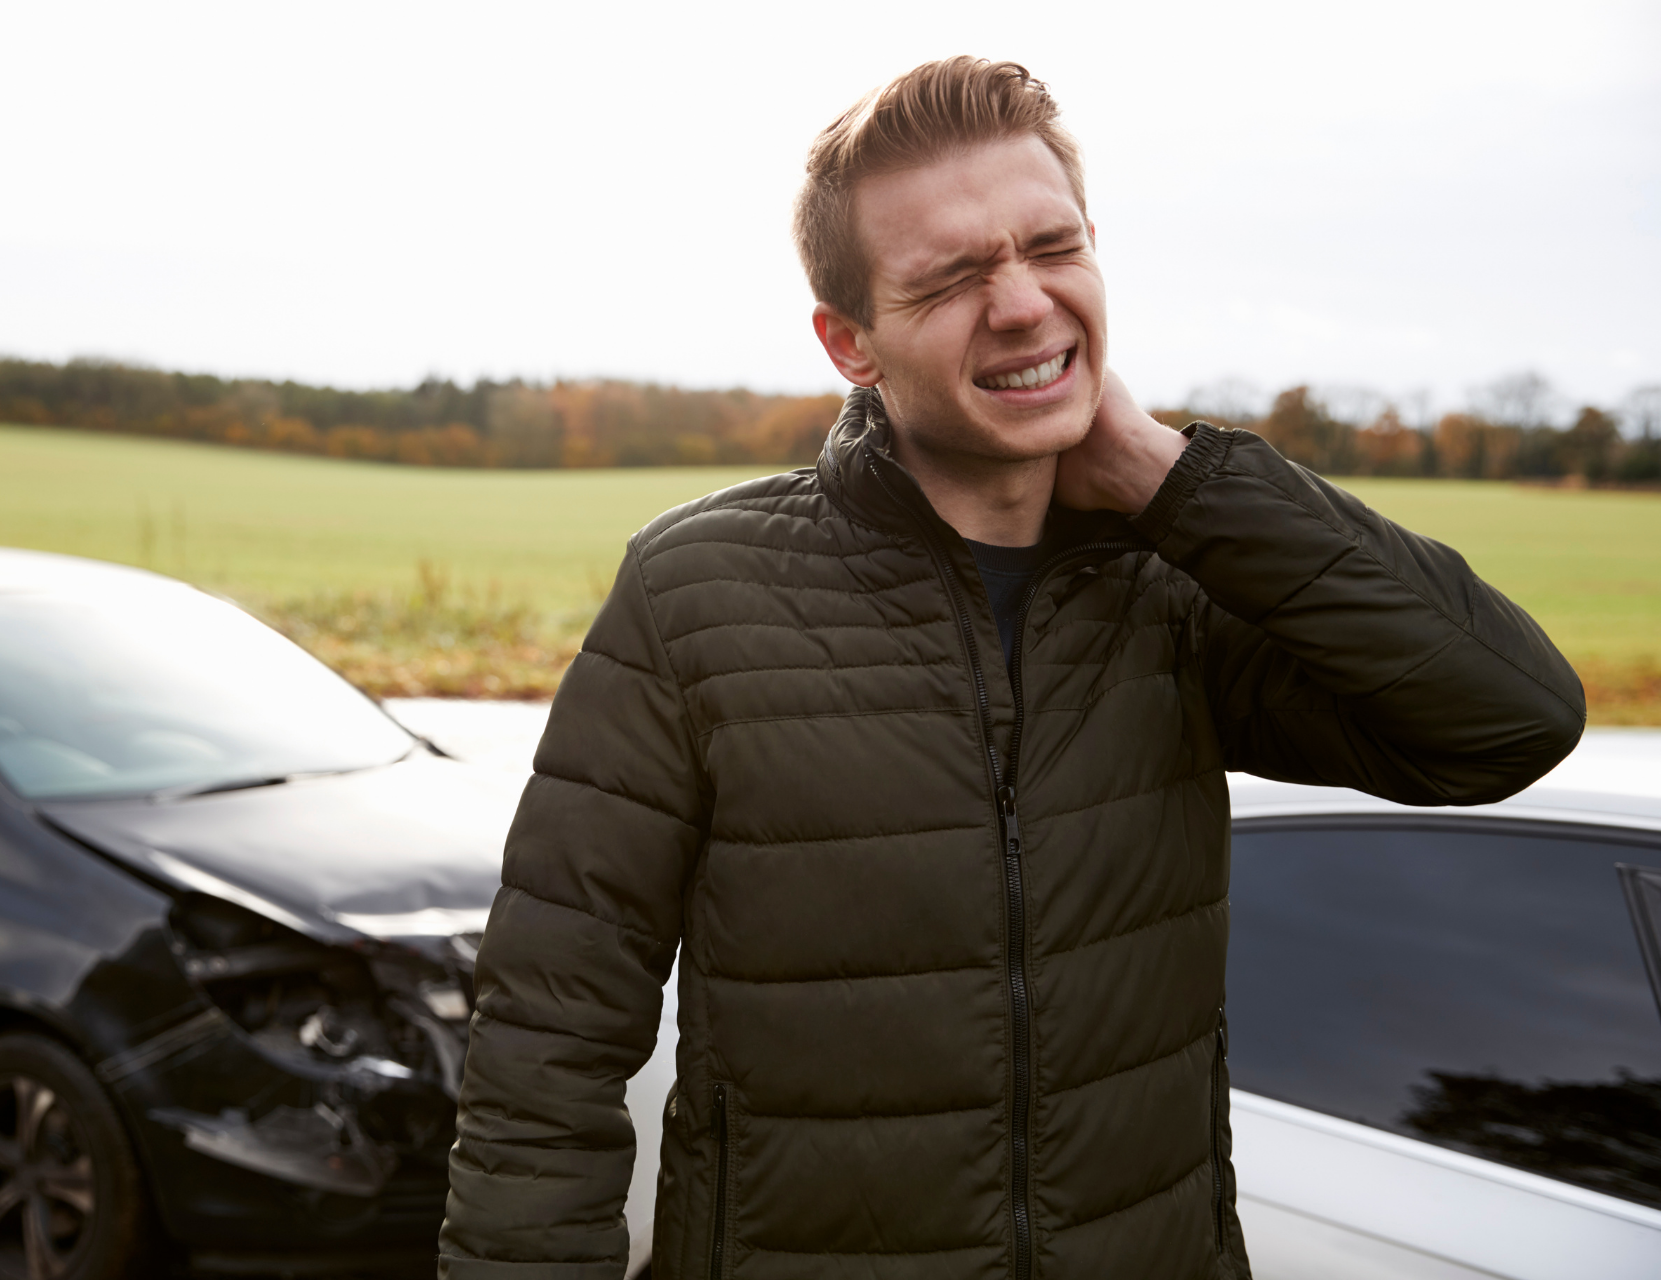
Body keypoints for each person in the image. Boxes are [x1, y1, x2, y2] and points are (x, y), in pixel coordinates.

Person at [438, 56, 1584, 1280]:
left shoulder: (1179, 586)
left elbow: (1507, 718)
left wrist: (1164, 473)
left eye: (1052, 246)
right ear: (849, 341)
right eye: (952, 277)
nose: (1027, 303)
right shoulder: (693, 593)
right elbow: (543, 1048)